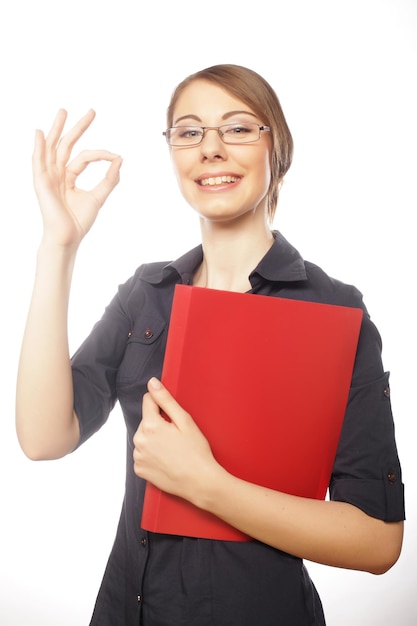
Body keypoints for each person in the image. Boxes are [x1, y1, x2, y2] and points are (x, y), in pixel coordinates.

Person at [16, 64, 405, 625]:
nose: (211, 149)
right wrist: (58, 245)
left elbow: (377, 541)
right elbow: (44, 436)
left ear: (280, 148)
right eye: (190, 131)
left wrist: (208, 486)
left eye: (239, 128)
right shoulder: (146, 294)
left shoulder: (335, 311)